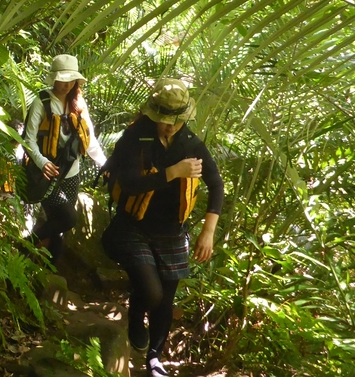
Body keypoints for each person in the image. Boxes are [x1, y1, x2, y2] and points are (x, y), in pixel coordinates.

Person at [100, 78, 224, 377]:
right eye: (163, 121)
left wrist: (208, 231)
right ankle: (134, 317)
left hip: (171, 230)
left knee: (166, 300)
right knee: (152, 293)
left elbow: (216, 185)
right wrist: (172, 172)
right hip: (133, 226)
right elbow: (129, 185)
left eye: (175, 122)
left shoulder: (191, 143)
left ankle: (154, 358)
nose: (168, 127)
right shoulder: (135, 138)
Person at [23, 54, 107, 263]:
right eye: (63, 79)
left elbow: (90, 139)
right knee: (67, 218)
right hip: (47, 175)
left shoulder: (78, 104)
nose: (66, 84)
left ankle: (50, 275)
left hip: (71, 174)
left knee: (58, 227)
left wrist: (105, 164)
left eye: (71, 80)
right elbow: (28, 140)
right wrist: (43, 162)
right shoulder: (41, 103)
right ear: (54, 78)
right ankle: (24, 245)